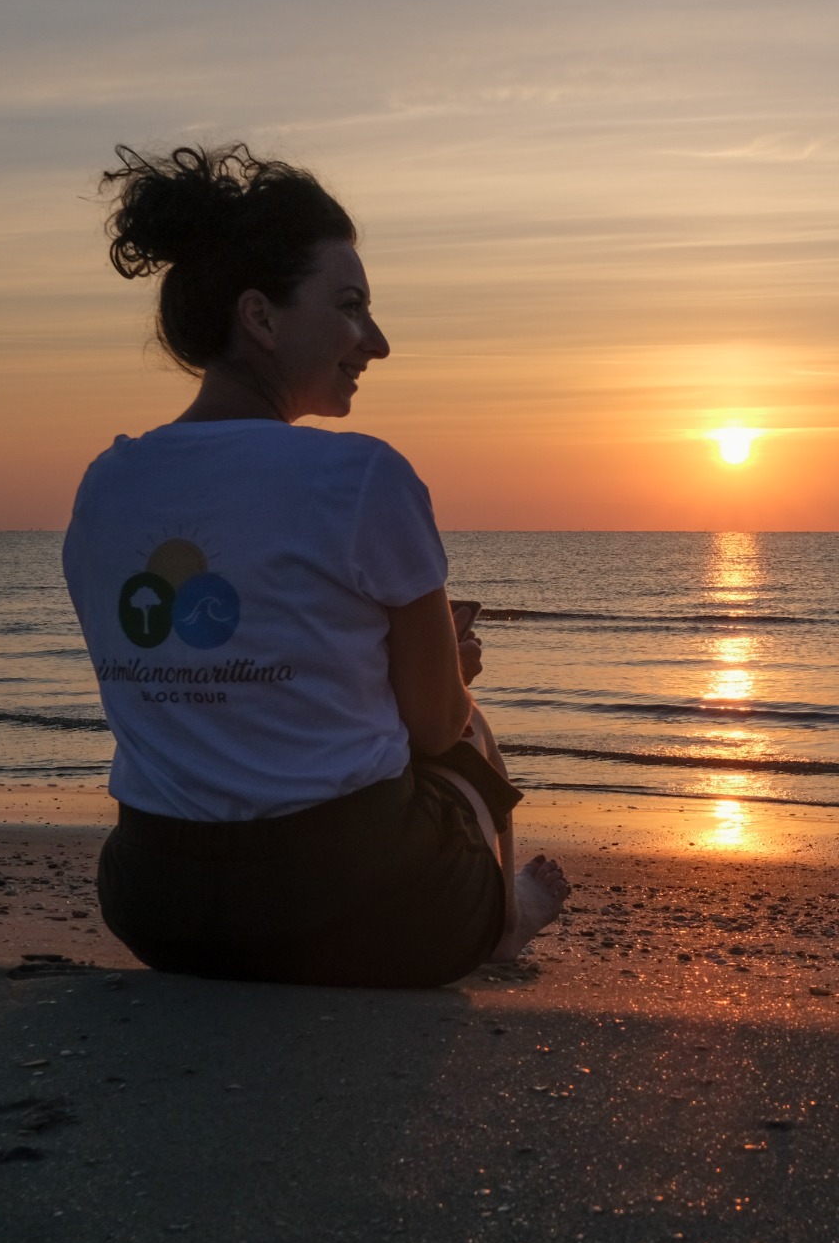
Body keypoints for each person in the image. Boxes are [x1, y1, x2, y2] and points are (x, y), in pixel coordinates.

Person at [62, 143, 569, 987]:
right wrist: (448, 669)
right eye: (350, 307)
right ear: (260, 318)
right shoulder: (361, 474)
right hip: (359, 911)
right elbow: (433, 728)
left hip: (154, 906)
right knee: (470, 732)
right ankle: (500, 922)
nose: (376, 341)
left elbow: (203, 681)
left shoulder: (105, 483)